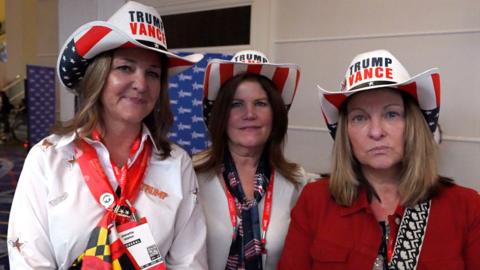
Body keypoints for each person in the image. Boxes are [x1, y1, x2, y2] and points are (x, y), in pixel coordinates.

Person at [7, 2, 207, 269]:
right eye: (125, 68)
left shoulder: (176, 163)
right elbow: (29, 261)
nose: (141, 84)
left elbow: (189, 261)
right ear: (98, 77)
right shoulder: (49, 157)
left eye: (153, 73)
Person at [278, 49, 480, 269]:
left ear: (412, 126)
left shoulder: (467, 207)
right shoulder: (315, 201)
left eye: (391, 114)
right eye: (360, 117)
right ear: (346, 133)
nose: (376, 132)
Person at [194, 50, 308, 270]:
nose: (249, 114)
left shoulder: (297, 181)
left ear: (276, 114)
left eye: (261, 103)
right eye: (236, 104)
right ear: (220, 115)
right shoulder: (191, 174)